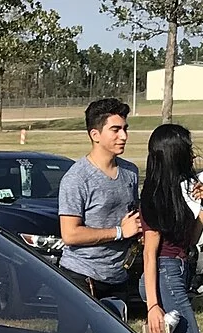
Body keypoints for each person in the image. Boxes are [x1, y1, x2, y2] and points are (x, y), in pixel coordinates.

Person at [57, 97, 143, 301]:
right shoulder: (77, 178)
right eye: (115, 130)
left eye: (125, 128)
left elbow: (133, 218)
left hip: (118, 276)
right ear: (95, 134)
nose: (124, 136)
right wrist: (120, 232)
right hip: (82, 277)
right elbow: (70, 234)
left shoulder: (130, 172)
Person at [138, 123, 203, 333]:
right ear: (173, 154)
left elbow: (189, 240)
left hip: (177, 270)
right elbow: (150, 254)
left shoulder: (175, 190)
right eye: (186, 149)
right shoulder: (154, 195)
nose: (192, 154)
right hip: (164, 274)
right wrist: (153, 306)